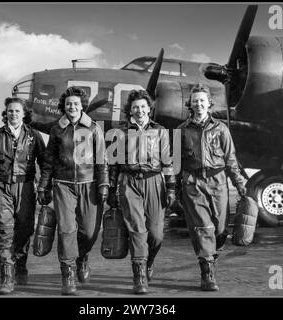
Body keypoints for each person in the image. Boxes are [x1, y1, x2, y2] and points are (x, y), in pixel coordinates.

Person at [37, 86, 109, 296]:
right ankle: (67, 275)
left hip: (90, 184)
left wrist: (104, 184)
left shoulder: (95, 129)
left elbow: (102, 161)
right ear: (64, 106)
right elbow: (48, 162)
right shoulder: (56, 130)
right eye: (68, 103)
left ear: (82, 105)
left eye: (76, 103)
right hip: (63, 185)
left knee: (89, 231)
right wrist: (43, 186)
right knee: (67, 230)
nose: (72, 106)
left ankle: (82, 257)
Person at [176, 84, 246, 291]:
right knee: (203, 227)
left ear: (209, 104)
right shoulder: (181, 130)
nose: (198, 104)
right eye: (195, 101)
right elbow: (175, 163)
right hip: (193, 182)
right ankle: (207, 272)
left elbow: (231, 159)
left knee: (221, 228)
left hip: (218, 182)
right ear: (190, 104)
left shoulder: (221, 129)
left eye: (202, 100)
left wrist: (240, 183)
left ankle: (212, 254)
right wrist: (172, 189)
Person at [108, 89, 176, 294]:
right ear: (130, 110)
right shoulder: (119, 132)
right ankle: (139, 277)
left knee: (156, 235)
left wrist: (171, 187)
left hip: (154, 181)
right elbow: (113, 164)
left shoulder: (161, 131)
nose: (139, 110)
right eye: (135, 107)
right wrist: (112, 189)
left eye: (143, 106)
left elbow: (168, 162)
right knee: (137, 230)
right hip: (128, 182)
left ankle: (149, 261)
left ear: (149, 108)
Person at [0, 97, 46, 295]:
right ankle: (7, 278)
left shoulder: (34, 135)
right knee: (5, 231)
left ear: (24, 113)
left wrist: (44, 187)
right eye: (10, 111)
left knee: (24, 230)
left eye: (17, 111)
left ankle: (21, 266)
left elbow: (44, 162)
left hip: (26, 187)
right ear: (6, 113)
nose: (13, 114)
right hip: (0, 187)